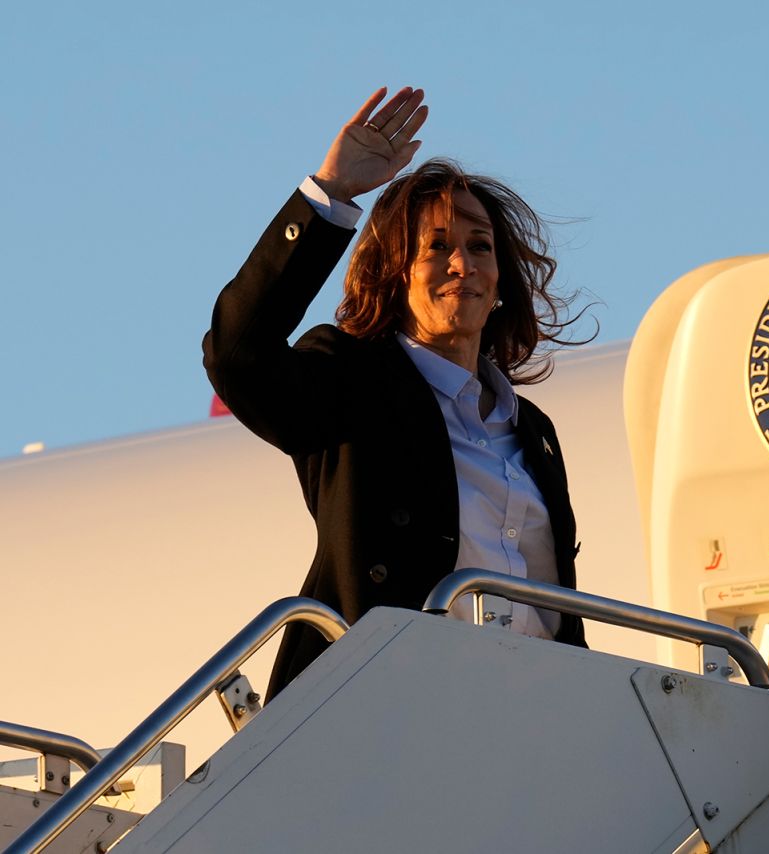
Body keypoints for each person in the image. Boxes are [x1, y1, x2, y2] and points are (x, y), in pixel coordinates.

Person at [204, 86, 588, 700]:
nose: (461, 262)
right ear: (394, 272)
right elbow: (237, 356)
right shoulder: (351, 380)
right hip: (386, 713)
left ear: (500, 284)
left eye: (479, 246)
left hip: (533, 715)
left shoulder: (532, 431)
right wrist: (329, 193)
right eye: (436, 247)